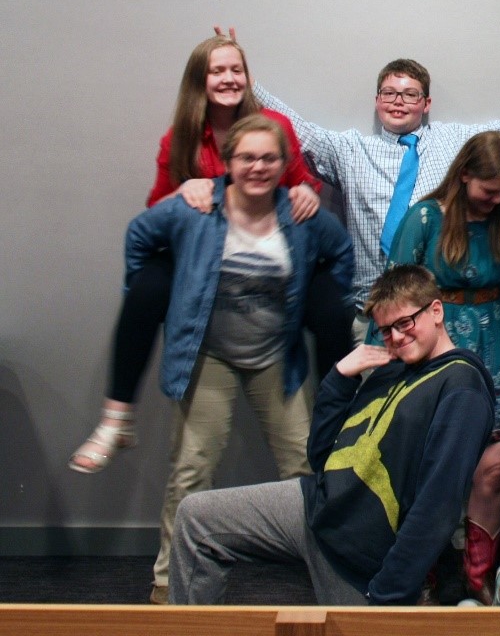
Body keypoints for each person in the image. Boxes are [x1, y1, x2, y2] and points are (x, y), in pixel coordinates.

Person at [67, 35, 341, 475]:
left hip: (269, 258)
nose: (229, 79)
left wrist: (306, 190)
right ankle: (116, 419)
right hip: (199, 261)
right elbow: (155, 214)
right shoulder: (181, 138)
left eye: (237, 69)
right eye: (218, 71)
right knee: (145, 288)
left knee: (332, 307)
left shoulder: (274, 124)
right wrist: (182, 189)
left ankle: (340, 422)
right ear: (200, 79)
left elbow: (298, 179)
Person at [122, 115, 353, 603]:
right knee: (192, 469)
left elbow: (341, 254)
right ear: (228, 163)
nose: (258, 167)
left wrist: (324, 300)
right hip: (209, 358)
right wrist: (153, 294)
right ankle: (168, 584)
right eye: (246, 157)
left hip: (276, 358)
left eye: (269, 158)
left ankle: (331, 579)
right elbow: (139, 237)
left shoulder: (301, 215)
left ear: (283, 165)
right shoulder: (196, 208)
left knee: (306, 469)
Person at [167, 265, 494, 605]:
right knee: (195, 519)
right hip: (317, 506)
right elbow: (323, 456)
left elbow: (436, 506)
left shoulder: (462, 386)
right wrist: (340, 378)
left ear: (436, 311)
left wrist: (388, 594)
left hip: (358, 559)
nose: (396, 338)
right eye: (386, 331)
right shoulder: (392, 369)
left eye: (404, 323)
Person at [250, 23, 500, 325]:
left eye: (410, 94)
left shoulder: (454, 141)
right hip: (371, 311)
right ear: (377, 100)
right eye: (389, 93)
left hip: (439, 312)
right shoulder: (350, 150)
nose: (398, 102)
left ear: (427, 102)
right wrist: (249, 88)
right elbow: (299, 132)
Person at [379, 130, 500, 602]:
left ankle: (477, 573)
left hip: (495, 348)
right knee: (428, 462)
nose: (498, 199)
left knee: (494, 465)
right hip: (434, 350)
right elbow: (394, 291)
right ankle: (419, 567)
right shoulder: (426, 217)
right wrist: (383, 358)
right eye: (490, 190)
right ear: (465, 175)